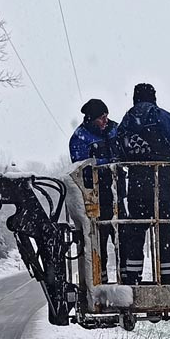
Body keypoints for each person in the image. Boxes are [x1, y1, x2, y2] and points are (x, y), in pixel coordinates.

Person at [116, 83, 170, 284]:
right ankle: (168, 278)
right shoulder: (160, 115)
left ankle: (132, 277)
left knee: (136, 231)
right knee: (165, 228)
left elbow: (119, 151)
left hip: (136, 185)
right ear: (153, 97)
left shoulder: (126, 120)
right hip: (161, 184)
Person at [68, 98, 124, 278]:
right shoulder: (80, 137)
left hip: (118, 193)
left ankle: (126, 278)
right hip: (95, 196)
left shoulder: (115, 129)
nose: (105, 120)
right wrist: (107, 163)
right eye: (101, 117)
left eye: (106, 116)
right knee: (98, 242)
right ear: (91, 119)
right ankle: (101, 279)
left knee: (123, 237)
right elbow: (81, 165)